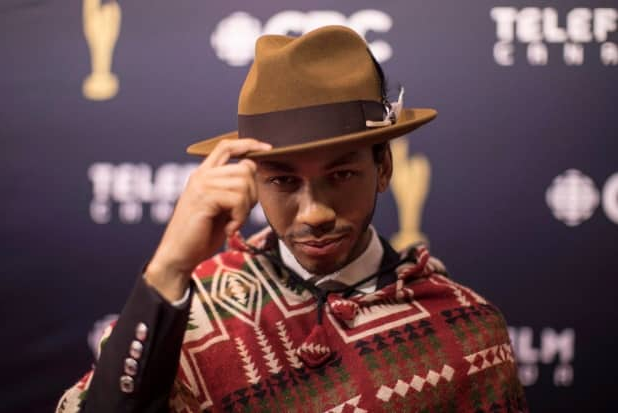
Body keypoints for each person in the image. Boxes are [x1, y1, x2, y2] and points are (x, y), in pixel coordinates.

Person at [57, 25, 527, 412]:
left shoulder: (466, 330)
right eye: (283, 182)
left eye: (341, 174)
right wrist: (168, 270)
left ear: (383, 167)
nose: (316, 213)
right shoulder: (191, 311)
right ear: (251, 180)